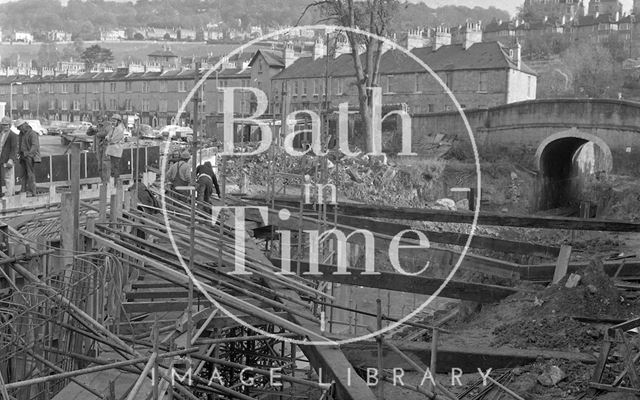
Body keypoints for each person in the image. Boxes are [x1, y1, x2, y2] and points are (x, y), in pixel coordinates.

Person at [15, 119, 40, 197]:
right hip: (23, 156)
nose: (19, 129)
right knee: (23, 174)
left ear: (24, 125)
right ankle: (23, 190)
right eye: (18, 128)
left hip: (29, 157)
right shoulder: (21, 134)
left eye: (19, 127)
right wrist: (19, 153)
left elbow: (35, 146)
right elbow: (20, 144)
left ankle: (33, 192)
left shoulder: (32, 134)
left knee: (30, 174)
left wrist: (29, 155)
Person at [86, 116, 111, 183]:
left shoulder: (108, 125)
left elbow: (104, 133)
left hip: (105, 148)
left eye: (100, 119)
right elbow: (88, 133)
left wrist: (97, 132)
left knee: (105, 164)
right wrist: (91, 128)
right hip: (98, 148)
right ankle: (103, 180)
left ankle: (106, 181)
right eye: (98, 120)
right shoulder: (97, 126)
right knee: (99, 165)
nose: (99, 121)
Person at [0, 117, 18, 197]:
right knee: (7, 177)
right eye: (3, 125)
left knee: (8, 177)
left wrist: (11, 159)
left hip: (8, 160)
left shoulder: (13, 135)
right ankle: (11, 193)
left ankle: (9, 195)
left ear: (10, 125)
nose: (5, 126)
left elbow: (14, 148)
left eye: (6, 125)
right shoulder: (1, 134)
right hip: (2, 159)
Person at [105, 113, 125, 182]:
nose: (113, 122)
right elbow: (108, 135)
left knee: (115, 167)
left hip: (116, 151)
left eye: (114, 121)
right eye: (112, 120)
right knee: (113, 167)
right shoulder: (114, 128)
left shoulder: (119, 129)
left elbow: (113, 139)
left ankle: (116, 182)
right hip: (113, 151)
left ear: (118, 121)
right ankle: (114, 181)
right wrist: (107, 137)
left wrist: (108, 139)